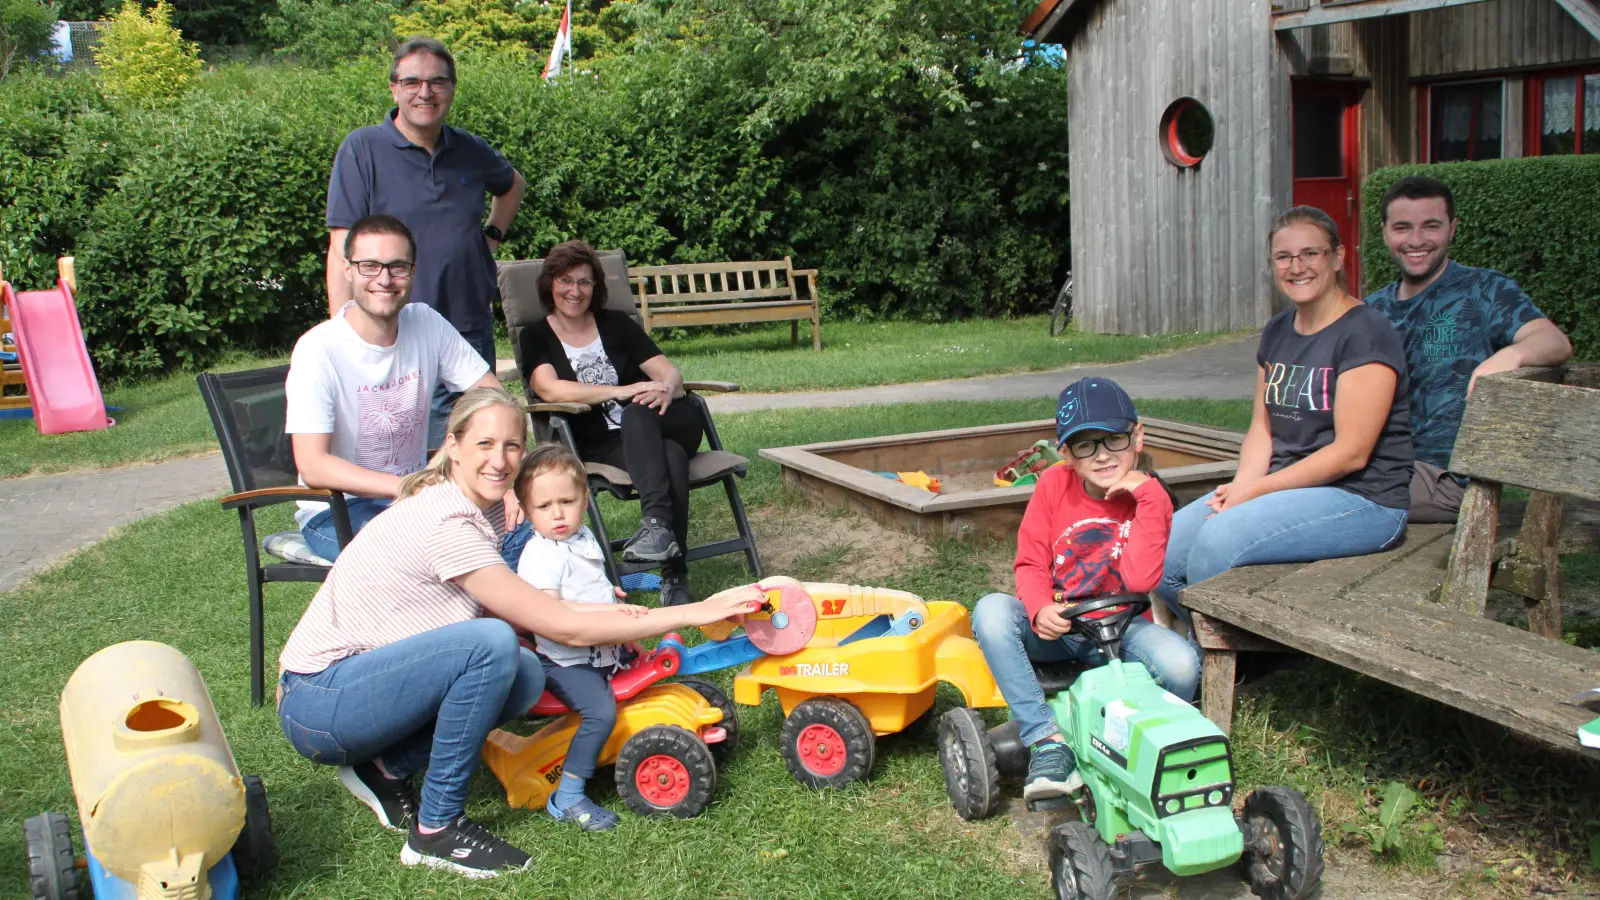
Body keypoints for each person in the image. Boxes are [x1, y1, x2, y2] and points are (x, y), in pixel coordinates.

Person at [277, 386, 761, 878]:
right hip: (319, 701)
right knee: (490, 646)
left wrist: (608, 615)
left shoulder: (482, 509)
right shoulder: (446, 520)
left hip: (359, 690)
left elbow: (541, 600)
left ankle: (385, 768)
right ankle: (435, 831)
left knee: (525, 672)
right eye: (485, 444)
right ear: (452, 447)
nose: (501, 459)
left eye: (512, 445)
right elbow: (558, 625)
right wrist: (693, 612)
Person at [1159, 206, 1414, 619]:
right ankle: (1230, 652)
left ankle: (1215, 666)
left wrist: (1256, 492)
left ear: (1337, 258)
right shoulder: (1278, 329)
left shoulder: (1365, 332)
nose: (1297, 267)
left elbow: (1351, 453)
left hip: (1364, 498)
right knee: (1165, 549)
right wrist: (1241, 487)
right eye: (1284, 257)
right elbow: (1263, 428)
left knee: (1216, 540)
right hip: (1286, 487)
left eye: (1310, 253)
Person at [971, 376, 1200, 803]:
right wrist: (1039, 608)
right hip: (1059, 629)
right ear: (1067, 453)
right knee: (992, 611)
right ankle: (1047, 740)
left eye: (1113, 439)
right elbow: (1031, 562)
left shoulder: (1151, 498)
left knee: (1182, 665)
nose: (1102, 456)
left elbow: (1140, 581)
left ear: (1137, 436)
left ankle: (1139, 740)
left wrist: (1150, 499)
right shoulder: (1053, 486)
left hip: (1122, 630)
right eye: (1085, 445)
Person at [287, 214, 526, 564]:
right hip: (339, 509)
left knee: (534, 526)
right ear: (347, 270)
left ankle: (538, 611)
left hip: (421, 497)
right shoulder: (318, 350)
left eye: (397, 267)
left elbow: (496, 401)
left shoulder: (426, 323)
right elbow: (313, 466)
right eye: (369, 266)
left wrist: (506, 476)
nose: (384, 279)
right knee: (445, 548)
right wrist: (408, 486)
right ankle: (493, 615)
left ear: (413, 272)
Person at [325, 36, 526, 448]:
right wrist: (341, 335)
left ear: (452, 88)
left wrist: (490, 237)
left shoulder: (470, 149)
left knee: (483, 445)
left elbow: (512, 186)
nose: (425, 91)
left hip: (469, 327)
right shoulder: (362, 149)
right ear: (394, 88)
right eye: (412, 81)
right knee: (418, 457)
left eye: (437, 81)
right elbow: (341, 249)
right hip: (398, 335)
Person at [1365, 175, 1573, 523]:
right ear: (1385, 232)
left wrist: (1511, 355)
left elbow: (1554, 342)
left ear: (1452, 229)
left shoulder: (1484, 290)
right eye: (1403, 227)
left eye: (1431, 226)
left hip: (1448, 481)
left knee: (1305, 492)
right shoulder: (1371, 311)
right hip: (1383, 468)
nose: (1416, 240)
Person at [519, 240, 702, 607]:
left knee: (638, 412)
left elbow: (667, 371)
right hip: (609, 442)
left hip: (666, 417)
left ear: (595, 286)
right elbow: (547, 387)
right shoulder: (536, 335)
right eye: (566, 281)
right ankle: (674, 575)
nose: (575, 291)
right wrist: (619, 390)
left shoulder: (616, 324)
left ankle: (654, 527)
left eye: (584, 282)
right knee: (670, 457)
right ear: (550, 284)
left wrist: (666, 389)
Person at [513, 444, 635, 832]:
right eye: (543, 506)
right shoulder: (540, 555)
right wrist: (614, 613)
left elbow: (589, 586)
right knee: (600, 712)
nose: (557, 514)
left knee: (648, 670)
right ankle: (567, 795)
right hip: (566, 661)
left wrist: (612, 602)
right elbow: (556, 614)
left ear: (585, 498)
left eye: (566, 501)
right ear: (526, 510)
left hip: (600, 647)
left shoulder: (581, 537)